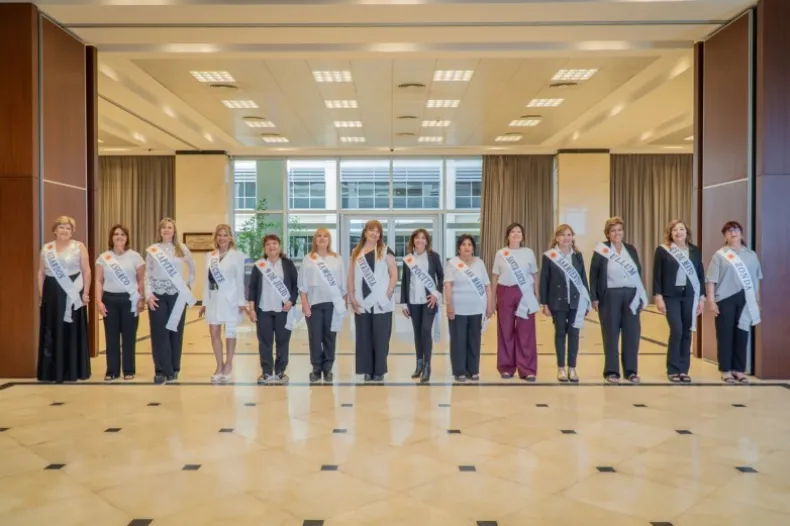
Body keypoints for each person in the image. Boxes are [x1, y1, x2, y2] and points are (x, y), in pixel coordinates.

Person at [589, 216, 647, 384]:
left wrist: (640, 295)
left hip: (631, 295)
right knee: (611, 334)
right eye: (613, 230)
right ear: (608, 233)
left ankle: (631, 371)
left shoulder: (631, 249)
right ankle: (612, 371)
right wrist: (594, 297)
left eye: (619, 230)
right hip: (610, 296)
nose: (617, 233)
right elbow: (593, 274)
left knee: (632, 334)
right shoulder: (602, 249)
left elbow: (638, 272)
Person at [706, 220, 762, 384]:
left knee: (742, 335)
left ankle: (739, 370)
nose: (733, 233)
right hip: (725, 299)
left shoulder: (751, 255)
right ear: (725, 236)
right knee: (725, 335)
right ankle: (726, 370)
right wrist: (711, 301)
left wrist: (757, 301)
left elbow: (756, 279)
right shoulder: (720, 255)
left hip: (746, 299)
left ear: (741, 233)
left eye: (736, 230)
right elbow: (711, 280)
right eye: (729, 231)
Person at [37, 216, 92, 382]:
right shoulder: (46, 248)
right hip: (52, 292)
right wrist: (41, 295)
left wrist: (86, 293)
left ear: (72, 231)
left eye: (68, 228)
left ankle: (72, 370)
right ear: (55, 230)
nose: (65, 231)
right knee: (52, 328)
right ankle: (51, 371)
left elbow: (86, 271)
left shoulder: (79, 246)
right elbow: (40, 273)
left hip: (73, 290)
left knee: (71, 329)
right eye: (61, 227)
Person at [653, 220, 705, 383]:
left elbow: (700, 274)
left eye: (681, 229)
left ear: (686, 232)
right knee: (677, 330)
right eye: (674, 230)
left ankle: (683, 369)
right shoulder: (663, 250)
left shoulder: (695, 251)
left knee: (687, 331)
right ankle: (673, 369)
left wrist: (702, 298)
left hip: (690, 295)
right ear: (670, 233)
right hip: (671, 296)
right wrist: (658, 296)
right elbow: (657, 274)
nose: (678, 232)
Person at [145, 217, 196, 384]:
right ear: (159, 231)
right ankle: (160, 370)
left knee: (176, 331)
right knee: (159, 333)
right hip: (157, 294)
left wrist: (188, 285)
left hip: (177, 295)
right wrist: (148, 294)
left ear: (174, 231)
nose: (166, 230)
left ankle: (174, 368)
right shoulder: (153, 249)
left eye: (169, 227)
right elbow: (147, 273)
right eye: (163, 227)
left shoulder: (181, 248)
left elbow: (193, 268)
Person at [540, 224, 590, 383]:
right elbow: (544, 280)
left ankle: (572, 368)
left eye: (569, 235)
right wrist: (544, 303)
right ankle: (561, 368)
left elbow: (583, 279)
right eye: (562, 235)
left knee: (574, 334)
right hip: (557, 301)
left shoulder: (577, 256)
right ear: (557, 237)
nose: (566, 238)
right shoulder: (550, 256)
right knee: (560, 333)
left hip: (576, 301)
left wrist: (587, 300)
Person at [349, 219, 397, 383]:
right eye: (372, 230)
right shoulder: (356, 252)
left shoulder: (385, 250)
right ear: (365, 232)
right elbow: (351, 275)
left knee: (381, 337)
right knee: (364, 337)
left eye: (378, 231)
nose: (374, 233)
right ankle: (367, 369)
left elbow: (394, 274)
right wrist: (351, 297)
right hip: (362, 302)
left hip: (381, 302)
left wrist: (388, 294)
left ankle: (379, 370)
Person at [95, 224, 145, 381]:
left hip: (130, 299)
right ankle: (112, 371)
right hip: (109, 299)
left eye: (123, 234)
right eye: (116, 234)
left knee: (129, 336)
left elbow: (141, 280)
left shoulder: (135, 257)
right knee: (111, 337)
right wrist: (98, 301)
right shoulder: (104, 257)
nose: (119, 237)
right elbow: (98, 281)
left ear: (127, 238)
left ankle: (129, 369)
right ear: (111, 237)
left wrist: (141, 298)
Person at [198, 224, 247, 383]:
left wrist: (241, 301)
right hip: (213, 298)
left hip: (230, 299)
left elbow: (240, 280)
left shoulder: (237, 256)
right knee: (214, 332)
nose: (222, 238)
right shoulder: (209, 256)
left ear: (230, 237)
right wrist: (204, 302)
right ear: (216, 238)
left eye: (225, 235)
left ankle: (229, 364)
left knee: (230, 332)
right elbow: (206, 281)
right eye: (219, 235)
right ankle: (219, 365)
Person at [248, 234, 299, 384]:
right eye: (268, 244)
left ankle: (280, 372)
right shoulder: (260, 265)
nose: (272, 247)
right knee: (265, 342)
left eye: (274, 243)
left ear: (279, 246)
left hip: (283, 310)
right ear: (264, 248)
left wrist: (291, 301)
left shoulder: (288, 264)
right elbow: (252, 288)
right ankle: (266, 372)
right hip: (263, 310)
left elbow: (296, 286)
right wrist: (252, 309)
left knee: (283, 341)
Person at [492, 222, 540, 381]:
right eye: (513, 231)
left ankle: (528, 369)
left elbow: (534, 275)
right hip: (505, 292)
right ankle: (506, 367)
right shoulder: (501, 253)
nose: (516, 234)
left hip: (525, 294)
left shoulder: (528, 252)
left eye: (519, 231)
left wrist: (537, 295)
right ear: (508, 236)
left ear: (522, 236)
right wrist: (492, 298)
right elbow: (495, 276)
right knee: (505, 331)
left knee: (526, 332)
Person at [299, 228, 348, 383]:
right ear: (315, 239)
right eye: (319, 236)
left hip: (333, 304)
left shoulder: (337, 259)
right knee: (315, 337)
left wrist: (344, 304)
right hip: (313, 303)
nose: (322, 238)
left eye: (325, 236)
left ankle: (328, 368)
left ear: (329, 239)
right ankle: (316, 368)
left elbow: (343, 284)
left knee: (330, 337)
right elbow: (302, 285)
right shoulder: (308, 259)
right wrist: (304, 304)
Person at [444, 234, 494, 382]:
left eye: (469, 244)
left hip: (476, 308)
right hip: (458, 308)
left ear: (473, 248)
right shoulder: (452, 263)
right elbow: (448, 285)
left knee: (474, 339)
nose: (467, 247)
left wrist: (490, 304)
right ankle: (459, 370)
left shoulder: (479, 263)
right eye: (463, 244)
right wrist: (449, 306)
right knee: (458, 340)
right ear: (459, 248)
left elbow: (487, 285)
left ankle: (473, 370)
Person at [400, 228, 444, 383]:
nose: (420, 240)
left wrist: (436, 294)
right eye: (417, 237)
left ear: (427, 241)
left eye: (423, 237)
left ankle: (427, 366)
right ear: (413, 240)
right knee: (417, 334)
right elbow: (405, 282)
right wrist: (404, 303)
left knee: (425, 330)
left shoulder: (433, 257)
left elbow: (441, 278)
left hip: (429, 301)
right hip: (413, 302)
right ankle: (418, 364)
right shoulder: (408, 259)